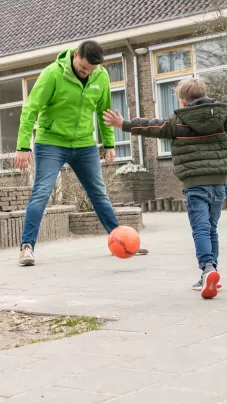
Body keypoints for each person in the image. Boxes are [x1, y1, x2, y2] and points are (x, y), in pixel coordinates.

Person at [103, 77, 227, 299]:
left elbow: (151, 126)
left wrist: (124, 124)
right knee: (211, 228)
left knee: (200, 228)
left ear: (182, 99)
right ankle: (211, 270)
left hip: (194, 183)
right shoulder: (222, 115)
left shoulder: (176, 122)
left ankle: (207, 268)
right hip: (219, 182)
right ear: (205, 94)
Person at [14, 40, 146, 266]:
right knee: (42, 193)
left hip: (85, 144)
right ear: (76, 55)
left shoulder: (100, 76)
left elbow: (104, 110)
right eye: (84, 68)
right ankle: (27, 247)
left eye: (91, 70)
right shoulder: (53, 74)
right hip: (51, 142)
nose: (87, 73)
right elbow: (30, 109)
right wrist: (23, 146)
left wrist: (109, 143)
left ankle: (121, 240)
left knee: (98, 192)